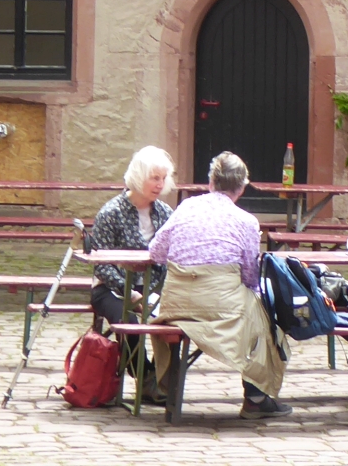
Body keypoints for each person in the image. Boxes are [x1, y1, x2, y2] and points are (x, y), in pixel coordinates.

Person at [146, 150, 290, 418]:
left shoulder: (186, 207)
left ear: (210, 182)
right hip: (222, 309)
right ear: (242, 188)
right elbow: (250, 276)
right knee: (266, 322)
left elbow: (156, 252)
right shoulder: (246, 221)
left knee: (255, 314)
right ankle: (256, 398)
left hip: (176, 307)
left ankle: (167, 391)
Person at [88, 145, 174, 328]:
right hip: (111, 288)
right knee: (129, 325)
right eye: (155, 178)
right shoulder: (111, 212)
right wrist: (130, 293)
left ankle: (165, 359)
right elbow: (101, 266)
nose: (160, 184)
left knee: (176, 326)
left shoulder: (166, 213)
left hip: (154, 288)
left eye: (164, 179)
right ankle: (136, 358)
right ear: (139, 177)